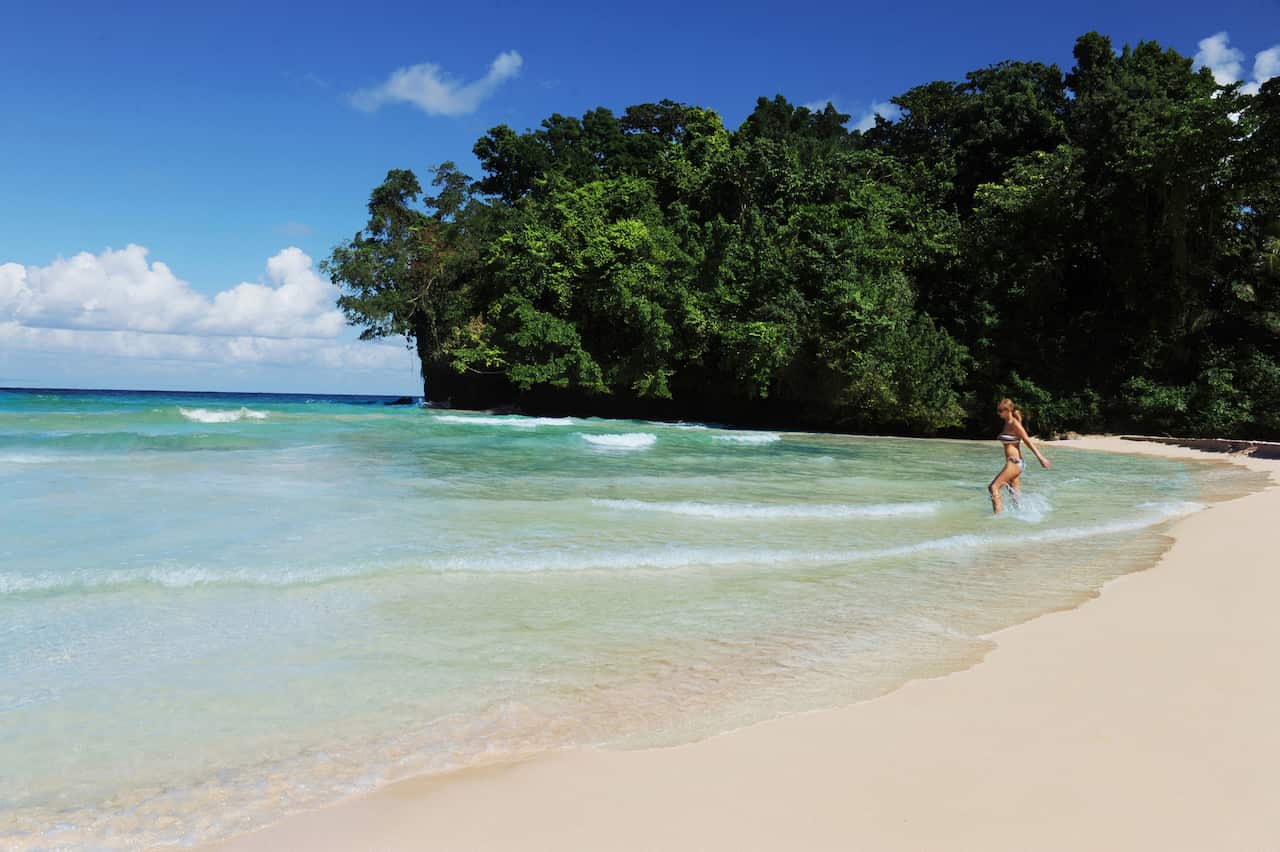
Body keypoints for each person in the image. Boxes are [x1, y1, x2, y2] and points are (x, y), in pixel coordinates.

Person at [989, 398, 1050, 514]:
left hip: (1015, 463)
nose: (999, 413)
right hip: (1011, 462)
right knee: (1016, 498)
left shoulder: (1014, 424)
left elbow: (1027, 441)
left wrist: (1040, 458)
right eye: (998, 410)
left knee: (993, 487)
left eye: (1000, 410)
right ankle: (1022, 518)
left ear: (1008, 410)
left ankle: (996, 519)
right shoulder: (1006, 423)